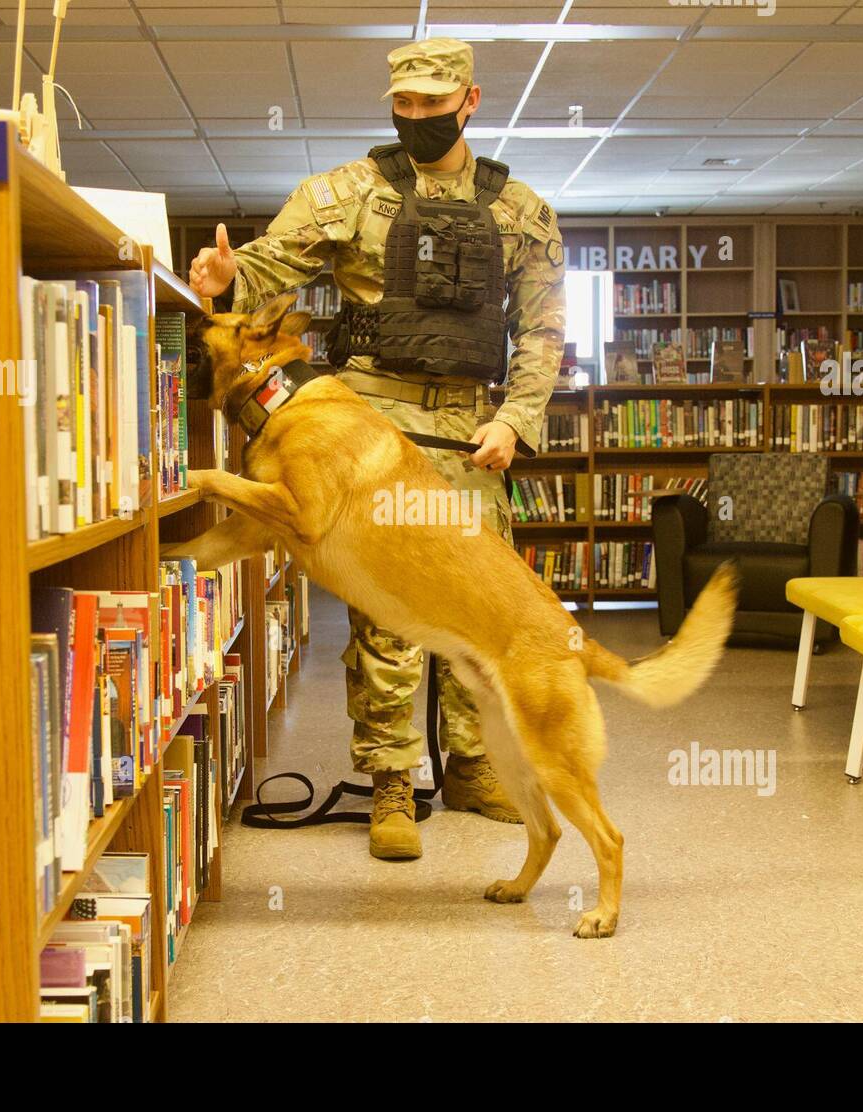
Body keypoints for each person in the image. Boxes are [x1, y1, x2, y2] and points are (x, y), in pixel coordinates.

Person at [188, 36, 566, 861]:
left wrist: (515, 419)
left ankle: (471, 767)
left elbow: (541, 332)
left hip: (473, 438)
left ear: (471, 100)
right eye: (406, 104)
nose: (420, 116)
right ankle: (391, 778)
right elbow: (267, 264)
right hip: (374, 432)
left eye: (436, 103)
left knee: (476, 607)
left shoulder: (522, 213)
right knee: (389, 614)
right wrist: (227, 277)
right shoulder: (348, 193)